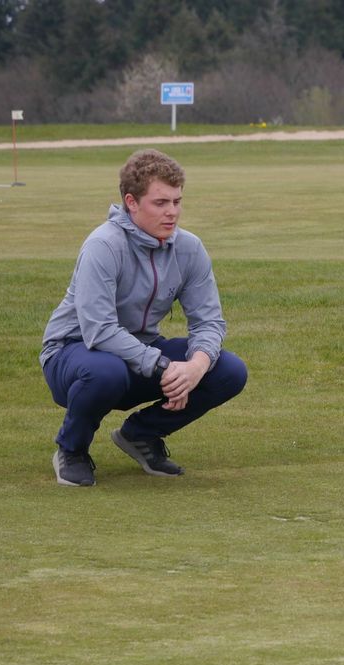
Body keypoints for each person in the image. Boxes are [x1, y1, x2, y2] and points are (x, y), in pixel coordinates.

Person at [39, 149, 247, 486]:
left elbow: (208, 322)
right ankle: (71, 449)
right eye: (161, 203)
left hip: (140, 354)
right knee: (106, 371)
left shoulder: (189, 248)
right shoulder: (103, 245)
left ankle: (140, 435)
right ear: (131, 202)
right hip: (73, 354)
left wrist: (194, 367)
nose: (172, 212)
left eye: (177, 202)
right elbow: (100, 331)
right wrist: (165, 367)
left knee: (228, 370)